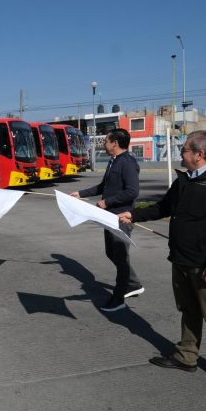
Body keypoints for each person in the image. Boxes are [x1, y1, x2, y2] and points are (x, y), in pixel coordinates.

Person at [118, 130, 206, 393]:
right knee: (189, 311)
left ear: (199, 155)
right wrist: (134, 214)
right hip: (182, 259)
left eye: (185, 149)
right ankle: (187, 357)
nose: (181, 152)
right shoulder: (185, 181)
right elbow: (164, 207)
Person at [71, 128, 142, 312]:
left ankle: (118, 299)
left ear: (115, 143)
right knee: (111, 253)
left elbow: (132, 191)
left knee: (120, 256)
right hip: (108, 216)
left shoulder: (127, 163)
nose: (104, 143)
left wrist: (107, 201)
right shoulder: (114, 162)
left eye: (106, 140)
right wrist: (81, 193)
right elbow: (104, 186)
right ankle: (134, 284)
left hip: (121, 217)